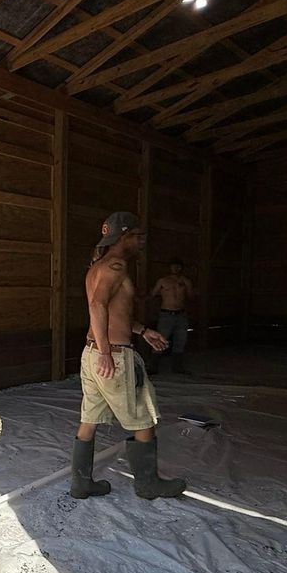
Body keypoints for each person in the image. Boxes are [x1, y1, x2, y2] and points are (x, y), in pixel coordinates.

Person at [71, 212, 186, 501]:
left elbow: (114, 312)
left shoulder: (98, 266)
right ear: (124, 236)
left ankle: (81, 484)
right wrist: (107, 352)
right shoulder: (116, 265)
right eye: (139, 236)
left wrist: (143, 330)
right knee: (144, 417)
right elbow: (97, 306)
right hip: (112, 355)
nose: (143, 241)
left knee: (89, 419)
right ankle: (148, 485)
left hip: (91, 355)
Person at [150, 260, 196, 375]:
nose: (176, 268)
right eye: (173, 266)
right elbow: (152, 294)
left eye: (178, 266)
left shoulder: (185, 281)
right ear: (170, 267)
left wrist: (186, 286)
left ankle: (177, 367)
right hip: (166, 314)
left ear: (181, 268)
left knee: (180, 340)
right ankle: (153, 366)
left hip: (181, 314)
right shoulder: (163, 281)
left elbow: (191, 296)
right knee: (161, 338)